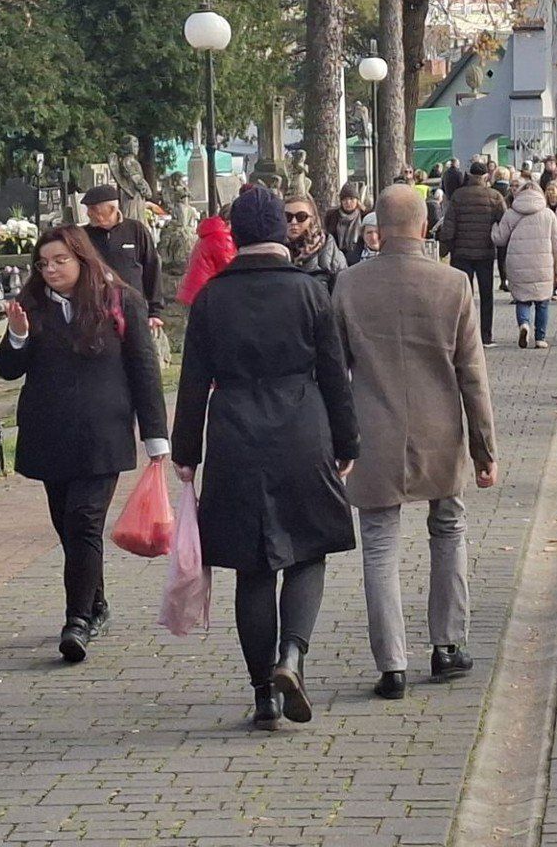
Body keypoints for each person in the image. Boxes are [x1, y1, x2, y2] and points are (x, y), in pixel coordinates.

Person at [172, 189, 358, 729]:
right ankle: (292, 656)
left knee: (251, 569)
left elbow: (191, 383)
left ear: (236, 235)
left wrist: (186, 452)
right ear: (281, 230)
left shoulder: (211, 299)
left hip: (233, 434)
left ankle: (262, 695)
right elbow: (334, 376)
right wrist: (348, 443)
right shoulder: (309, 293)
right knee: (308, 550)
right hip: (302, 430)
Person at [333, 186, 498, 700]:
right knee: (448, 528)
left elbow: (335, 373)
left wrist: (338, 441)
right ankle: (448, 644)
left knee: (379, 544)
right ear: (426, 226)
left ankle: (392, 663)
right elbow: (472, 374)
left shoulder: (348, 285)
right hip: (440, 430)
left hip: (373, 431)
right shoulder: (452, 285)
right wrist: (484, 449)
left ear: (376, 227)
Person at [0, 225, 167, 663]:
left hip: (102, 433)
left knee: (85, 522)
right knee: (68, 528)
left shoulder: (119, 299)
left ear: (82, 259)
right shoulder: (32, 304)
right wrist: (16, 335)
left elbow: (144, 369)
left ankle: (76, 621)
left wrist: (156, 437)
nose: (50, 270)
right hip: (50, 432)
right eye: (43, 263)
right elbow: (9, 369)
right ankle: (96, 604)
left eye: (60, 261)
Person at [493, 172, 557, 349]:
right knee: (542, 302)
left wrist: (494, 227)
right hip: (543, 266)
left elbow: (499, 239)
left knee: (522, 299)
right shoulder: (548, 214)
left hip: (517, 265)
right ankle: (540, 338)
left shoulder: (511, 213)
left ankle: (524, 324)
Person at [438, 161, 507, 344]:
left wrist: (445, 249)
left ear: (469, 175)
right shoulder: (495, 197)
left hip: (461, 254)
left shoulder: (458, 196)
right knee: (486, 296)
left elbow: (449, 226)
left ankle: (461, 336)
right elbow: (505, 223)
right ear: (485, 177)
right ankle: (486, 336)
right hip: (485, 253)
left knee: (461, 297)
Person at [81, 184, 163, 332]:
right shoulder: (83, 236)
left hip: (133, 308)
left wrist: (154, 311)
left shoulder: (136, 230)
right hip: (97, 309)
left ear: (112, 209)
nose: (89, 214)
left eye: (94, 209)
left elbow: (152, 268)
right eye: (88, 209)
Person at [283, 192, 348, 291]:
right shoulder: (275, 249)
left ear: (312, 219)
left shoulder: (328, 248)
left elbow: (342, 292)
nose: (293, 222)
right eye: (287, 216)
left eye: (301, 216)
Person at [326, 183, 369, 266]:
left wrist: (364, 210)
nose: (348, 202)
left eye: (351, 199)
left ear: (357, 201)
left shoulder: (363, 216)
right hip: (336, 255)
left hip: (358, 258)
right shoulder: (333, 215)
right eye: (344, 199)